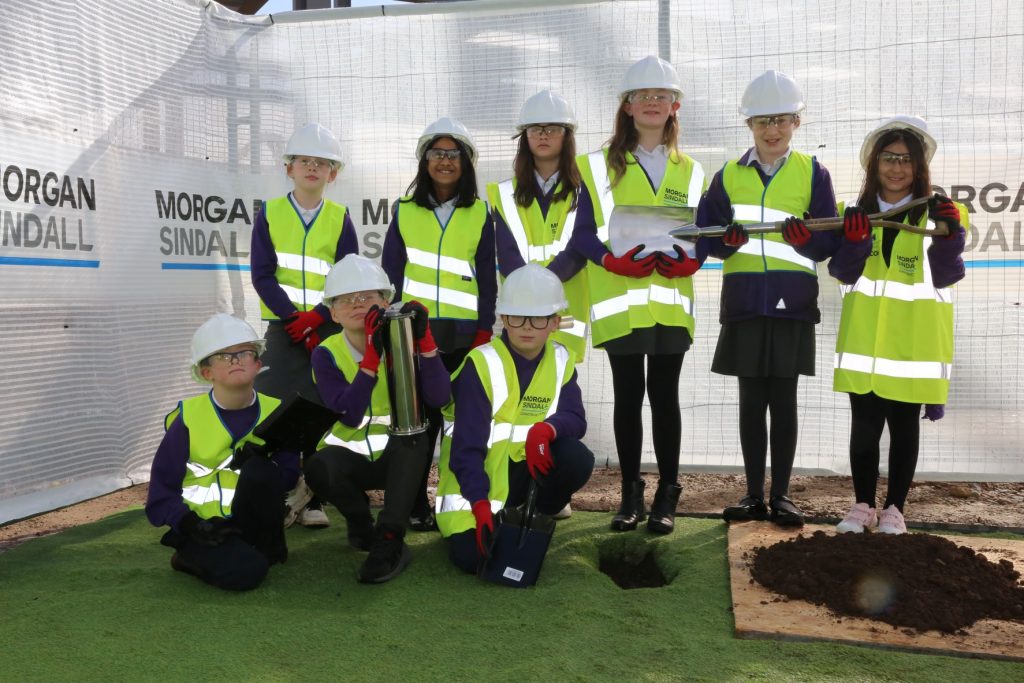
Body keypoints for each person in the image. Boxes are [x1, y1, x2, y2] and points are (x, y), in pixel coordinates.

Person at [695, 70, 839, 527]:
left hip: (791, 304)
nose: (771, 130)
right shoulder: (727, 176)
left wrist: (803, 241)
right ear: (749, 126)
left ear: (797, 121)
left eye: (780, 120)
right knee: (751, 402)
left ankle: (782, 497)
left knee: (784, 400)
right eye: (761, 122)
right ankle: (754, 495)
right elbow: (707, 240)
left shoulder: (814, 172)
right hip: (744, 304)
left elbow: (826, 244)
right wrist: (728, 243)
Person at [572, 55, 706, 534]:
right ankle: (631, 496)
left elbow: (703, 233)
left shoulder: (693, 169)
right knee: (628, 397)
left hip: (670, 302)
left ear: (675, 107)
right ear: (627, 107)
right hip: (620, 302)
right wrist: (611, 261)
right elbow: (582, 235)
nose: (652, 102)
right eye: (642, 95)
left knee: (664, 396)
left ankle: (667, 495)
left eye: (661, 95)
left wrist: (697, 259)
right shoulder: (592, 165)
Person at [829, 116, 967, 535]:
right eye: (888, 158)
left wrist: (951, 234)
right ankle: (863, 505)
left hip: (914, 347)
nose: (896, 168)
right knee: (864, 429)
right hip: (864, 343)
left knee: (904, 428)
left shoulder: (944, 212)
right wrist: (853, 241)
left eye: (906, 160)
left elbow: (947, 273)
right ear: (874, 164)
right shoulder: (851, 213)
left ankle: (895, 508)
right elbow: (842, 272)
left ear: (920, 166)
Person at [302, 255, 452, 583]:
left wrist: (425, 343)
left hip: (399, 462)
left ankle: (390, 539)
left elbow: (440, 398)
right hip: (350, 461)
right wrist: (372, 356)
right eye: (346, 299)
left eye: (368, 296)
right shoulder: (325, 353)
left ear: (386, 302)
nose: (357, 305)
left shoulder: (405, 341)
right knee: (318, 466)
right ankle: (359, 522)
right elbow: (350, 413)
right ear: (333, 312)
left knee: (416, 438)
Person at [436, 264, 594, 573]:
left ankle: (536, 513)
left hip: (523, 474)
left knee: (577, 458)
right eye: (517, 316)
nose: (527, 327)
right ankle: (494, 516)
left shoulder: (561, 359)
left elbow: (576, 418)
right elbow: (466, 448)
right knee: (473, 560)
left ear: (554, 322)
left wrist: (546, 430)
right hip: (476, 485)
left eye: (538, 318)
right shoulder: (480, 364)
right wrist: (479, 504)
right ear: (504, 319)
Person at [382, 117, 497, 532]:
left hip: (466, 336)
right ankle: (414, 503)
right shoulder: (405, 210)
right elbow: (391, 274)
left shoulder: (482, 212)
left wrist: (485, 330)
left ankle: (458, 503)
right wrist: (393, 330)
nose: (445, 162)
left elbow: (487, 276)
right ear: (425, 161)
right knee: (419, 425)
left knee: (460, 423)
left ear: (466, 162)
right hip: (415, 336)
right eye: (437, 154)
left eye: (453, 154)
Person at [250, 122, 359, 529]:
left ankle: (314, 499)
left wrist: (319, 316)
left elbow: (348, 276)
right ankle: (282, 488)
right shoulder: (270, 213)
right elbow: (262, 274)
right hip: (285, 329)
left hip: (327, 329)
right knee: (274, 406)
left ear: (333, 174)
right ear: (289, 168)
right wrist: (294, 319)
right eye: (304, 161)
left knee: (321, 409)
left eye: (322, 163)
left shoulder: (339, 217)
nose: (312, 168)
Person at [145, 314, 299, 591]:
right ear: (207, 373)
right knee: (248, 573)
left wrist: (264, 462)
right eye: (223, 356)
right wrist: (191, 525)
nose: (236, 360)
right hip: (201, 527)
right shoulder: (187, 420)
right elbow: (160, 495)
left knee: (261, 470)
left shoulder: (277, 412)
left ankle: (264, 544)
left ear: (258, 364)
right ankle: (186, 556)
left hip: (248, 522)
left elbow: (288, 477)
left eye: (244, 353)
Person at [486, 90, 593, 362]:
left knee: (561, 387)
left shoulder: (586, 191)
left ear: (567, 136)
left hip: (564, 314)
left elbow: (578, 251)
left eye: (553, 128)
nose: (543, 135)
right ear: (525, 137)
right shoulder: (504, 194)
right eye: (535, 129)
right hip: (520, 315)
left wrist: (539, 290)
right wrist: (534, 296)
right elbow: (507, 254)